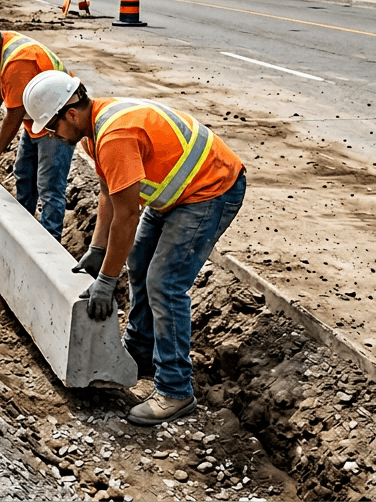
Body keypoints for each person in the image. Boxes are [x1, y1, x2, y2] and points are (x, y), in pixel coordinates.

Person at [23, 71, 246, 425]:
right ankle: (141, 351)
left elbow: (127, 214)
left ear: (70, 114)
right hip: (177, 193)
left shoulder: (114, 136)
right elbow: (108, 196)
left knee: (164, 282)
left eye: (50, 127)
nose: (50, 136)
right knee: (140, 262)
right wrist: (98, 249)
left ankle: (175, 391)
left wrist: (107, 281)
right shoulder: (92, 131)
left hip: (210, 189)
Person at [0, 11, 75, 242]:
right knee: (24, 174)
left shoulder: (19, 60)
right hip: (39, 118)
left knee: (49, 188)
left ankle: (49, 244)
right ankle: (23, 230)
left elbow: (14, 117)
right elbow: (3, 79)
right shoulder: (2, 48)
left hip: (58, 124)